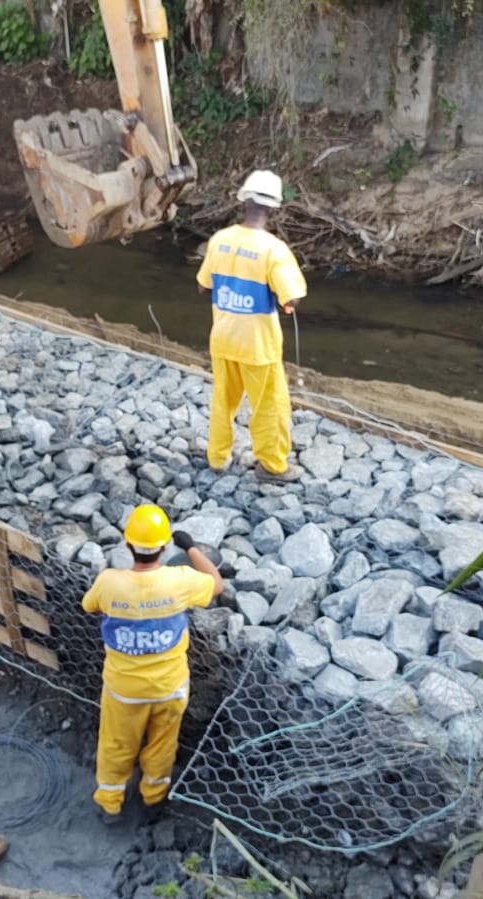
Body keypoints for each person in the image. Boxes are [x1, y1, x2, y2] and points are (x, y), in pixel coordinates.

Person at [81, 504, 224, 823]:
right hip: (169, 688)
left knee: (116, 744)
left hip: (124, 690)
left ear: (127, 544)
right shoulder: (181, 581)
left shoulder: (109, 583)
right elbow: (216, 584)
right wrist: (191, 547)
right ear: (163, 547)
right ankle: (153, 798)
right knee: (162, 744)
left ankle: (110, 803)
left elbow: (88, 605)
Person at [195, 169, 309, 480]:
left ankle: (217, 458)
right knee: (269, 407)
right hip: (258, 346)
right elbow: (293, 298)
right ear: (274, 209)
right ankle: (272, 466)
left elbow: (204, 287)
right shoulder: (274, 250)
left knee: (223, 400)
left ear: (243, 202)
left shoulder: (220, 241)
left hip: (223, 339)